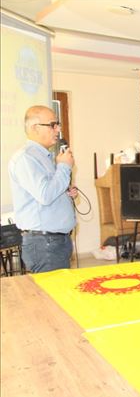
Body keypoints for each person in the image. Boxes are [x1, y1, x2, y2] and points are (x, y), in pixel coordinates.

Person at [9, 105, 77, 273]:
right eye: (53, 125)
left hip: (55, 242)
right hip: (45, 244)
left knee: (61, 288)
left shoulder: (44, 157)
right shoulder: (26, 158)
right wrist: (64, 167)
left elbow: (49, 191)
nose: (58, 129)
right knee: (53, 289)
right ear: (35, 128)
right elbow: (45, 195)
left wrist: (65, 194)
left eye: (58, 124)